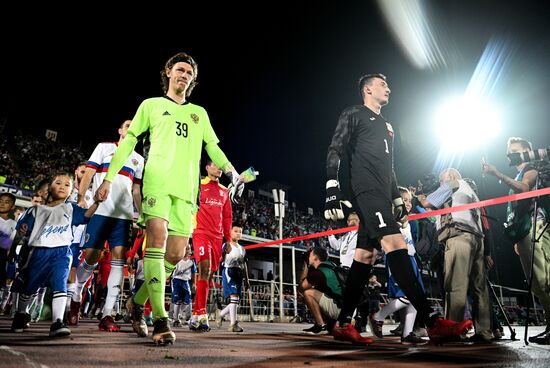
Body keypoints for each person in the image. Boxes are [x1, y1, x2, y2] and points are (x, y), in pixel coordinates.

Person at [95, 52, 245, 345]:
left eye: (189, 73)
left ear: (193, 80)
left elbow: (212, 147)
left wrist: (232, 171)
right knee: (157, 239)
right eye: (180, 70)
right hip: (158, 185)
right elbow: (129, 141)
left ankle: (137, 303)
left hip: (187, 193)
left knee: (175, 256)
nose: (184, 75)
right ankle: (161, 321)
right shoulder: (150, 105)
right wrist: (109, 176)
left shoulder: (199, 113)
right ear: (168, 72)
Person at [324, 73, 472, 344]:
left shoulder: (387, 126)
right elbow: (335, 149)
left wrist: (395, 200)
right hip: (366, 192)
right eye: (382, 84)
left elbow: (390, 168)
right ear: (367, 89)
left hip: (382, 195)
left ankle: (343, 323)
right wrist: (332, 188)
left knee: (365, 258)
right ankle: (432, 321)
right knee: (395, 245)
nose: (388, 88)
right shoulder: (353, 113)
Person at [69, 120, 144, 333]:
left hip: (123, 215)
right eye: (127, 125)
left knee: (118, 259)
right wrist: (82, 198)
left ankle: (107, 313)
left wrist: (142, 214)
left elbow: (136, 191)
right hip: (100, 211)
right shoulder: (104, 148)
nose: (131, 128)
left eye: (134, 126)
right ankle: (76, 298)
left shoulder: (139, 159)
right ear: (120, 130)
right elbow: (90, 174)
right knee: (91, 258)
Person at [10, 172, 99, 337]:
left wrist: (97, 202)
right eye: (58, 183)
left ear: (71, 191)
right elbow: (21, 232)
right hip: (38, 251)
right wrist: (19, 238)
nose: (62, 187)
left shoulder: (71, 208)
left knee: (60, 284)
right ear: (49, 188)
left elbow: (86, 216)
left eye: (67, 185)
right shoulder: (35, 210)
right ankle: (21, 313)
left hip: (62, 252)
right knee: (30, 286)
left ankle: (58, 321)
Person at [482, 137, 550, 344]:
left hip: (535, 226)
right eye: (508, 150)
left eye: (515, 150)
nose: (510, 154)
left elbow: (524, 189)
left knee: (545, 279)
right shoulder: (519, 173)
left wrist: (497, 174)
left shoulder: (532, 167)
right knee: (537, 284)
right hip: (522, 232)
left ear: (527, 151)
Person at [418, 168, 492, 342]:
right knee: (479, 289)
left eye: (440, 181)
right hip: (476, 239)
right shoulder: (471, 190)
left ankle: (452, 329)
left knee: (455, 286)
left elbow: (428, 203)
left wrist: (419, 196)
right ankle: (484, 331)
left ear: (450, 177)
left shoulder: (453, 183)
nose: (440, 184)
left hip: (459, 237)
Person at [369, 187, 428, 345]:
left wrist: (416, 199)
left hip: (411, 258)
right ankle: (378, 317)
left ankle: (407, 333)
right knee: (406, 295)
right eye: (405, 201)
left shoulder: (409, 220)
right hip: (397, 257)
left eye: (410, 201)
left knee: (417, 297)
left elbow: (429, 217)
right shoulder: (389, 220)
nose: (409, 204)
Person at [189, 159, 233, 332]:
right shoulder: (198, 185)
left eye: (220, 166)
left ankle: (194, 314)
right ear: (207, 168)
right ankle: (202, 314)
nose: (219, 168)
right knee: (204, 270)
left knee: (207, 277)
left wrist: (227, 239)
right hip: (200, 232)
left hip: (217, 237)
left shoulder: (224, 191)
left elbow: (227, 217)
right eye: (215, 165)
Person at [300, 247, 345, 336]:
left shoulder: (319, 272)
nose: (307, 256)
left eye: (310, 255)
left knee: (308, 293)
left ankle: (321, 326)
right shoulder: (331, 264)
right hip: (346, 309)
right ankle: (327, 324)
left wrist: (306, 266)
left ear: (315, 258)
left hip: (339, 309)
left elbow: (301, 287)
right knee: (316, 292)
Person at [216, 225, 247, 332]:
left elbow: (243, 265)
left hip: (239, 273)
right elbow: (220, 260)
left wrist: (247, 279)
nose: (238, 233)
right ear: (230, 232)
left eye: (240, 231)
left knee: (236, 300)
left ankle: (220, 314)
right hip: (228, 271)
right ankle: (233, 324)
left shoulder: (242, 249)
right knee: (234, 297)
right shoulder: (226, 245)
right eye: (235, 231)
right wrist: (223, 253)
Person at [0, 193, 17, 315]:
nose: (2, 204)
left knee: (3, 284)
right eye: (0, 201)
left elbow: (11, 243)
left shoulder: (14, 224)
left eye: (6, 202)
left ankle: (2, 306)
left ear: (12, 206)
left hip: (3, 257)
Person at [170, 248, 196, 327]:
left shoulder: (191, 262)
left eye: (188, 248)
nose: (187, 250)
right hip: (177, 281)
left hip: (186, 282)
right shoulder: (177, 260)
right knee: (177, 300)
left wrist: (194, 283)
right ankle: (176, 319)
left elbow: (194, 273)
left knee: (187, 300)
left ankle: (181, 314)